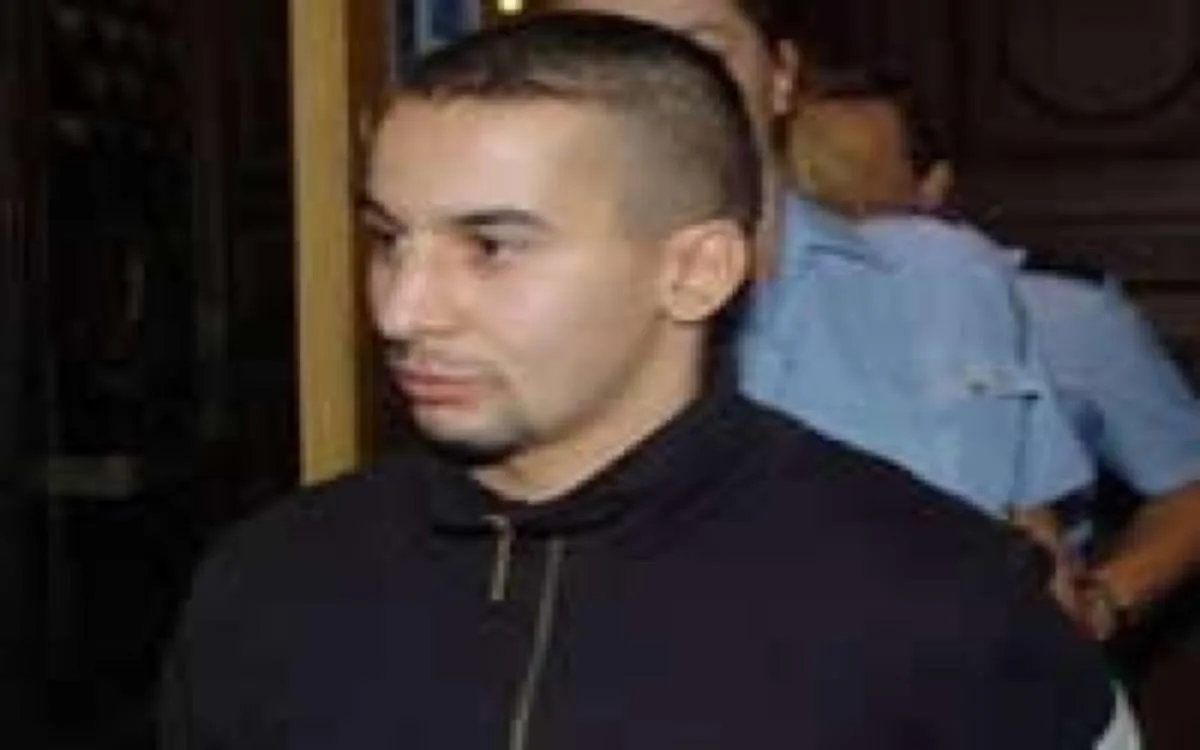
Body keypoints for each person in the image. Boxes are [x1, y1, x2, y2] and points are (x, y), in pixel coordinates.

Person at [160, 14, 1130, 748]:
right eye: (388, 241)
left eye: (491, 246)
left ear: (697, 270)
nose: (403, 310)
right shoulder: (272, 582)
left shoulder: (940, 597)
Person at [531, 0, 1094, 518]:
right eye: (607, 57)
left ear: (781, 77)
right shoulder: (520, 321)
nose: (659, 90)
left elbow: (1031, 535)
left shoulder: (942, 279)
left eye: (702, 51)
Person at [786, 66, 1200, 640]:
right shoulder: (738, 324)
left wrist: (1101, 603)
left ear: (932, 186)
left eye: (858, 187)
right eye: (808, 187)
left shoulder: (1057, 313)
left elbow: (1188, 486)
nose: (833, 217)